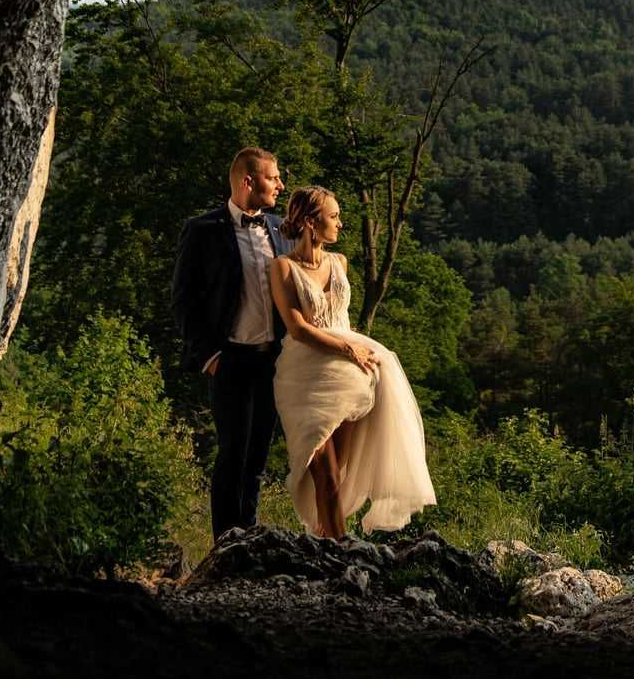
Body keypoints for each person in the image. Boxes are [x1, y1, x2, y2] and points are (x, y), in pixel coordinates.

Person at [270, 186, 437, 539]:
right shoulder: (283, 267)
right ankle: (340, 549)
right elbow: (298, 328)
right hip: (307, 379)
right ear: (312, 224)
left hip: (349, 375)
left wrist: (356, 350)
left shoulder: (339, 262)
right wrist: (349, 350)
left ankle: (328, 538)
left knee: (339, 475)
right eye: (333, 217)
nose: (341, 224)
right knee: (325, 472)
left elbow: (339, 319)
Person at [171, 147, 294, 543]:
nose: (280, 184)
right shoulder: (203, 230)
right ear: (248, 181)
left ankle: (250, 539)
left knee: (257, 455)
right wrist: (209, 357)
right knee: (231, 455)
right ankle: (225, 545)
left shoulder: (281, 228)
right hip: (229, 361)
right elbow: (184, 299)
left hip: (273, 362)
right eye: (273, 177)